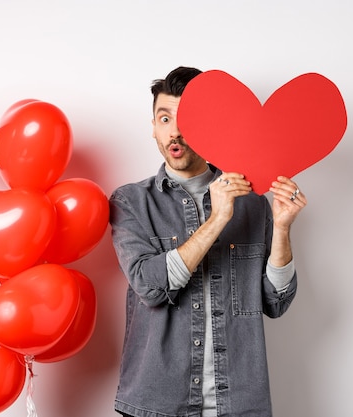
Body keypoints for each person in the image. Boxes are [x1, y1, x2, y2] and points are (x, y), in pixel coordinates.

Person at [109, 66, 307, 417]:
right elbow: (150, 286)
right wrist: (217, 220)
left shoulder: (253, 202)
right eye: (165, 118)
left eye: (187, 118)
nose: (176, 131)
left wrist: (282, 228)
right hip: (157, 405)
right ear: (153, 127)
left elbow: (275, 302)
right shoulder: (131, 202)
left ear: (212, 125)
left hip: (238, 404)